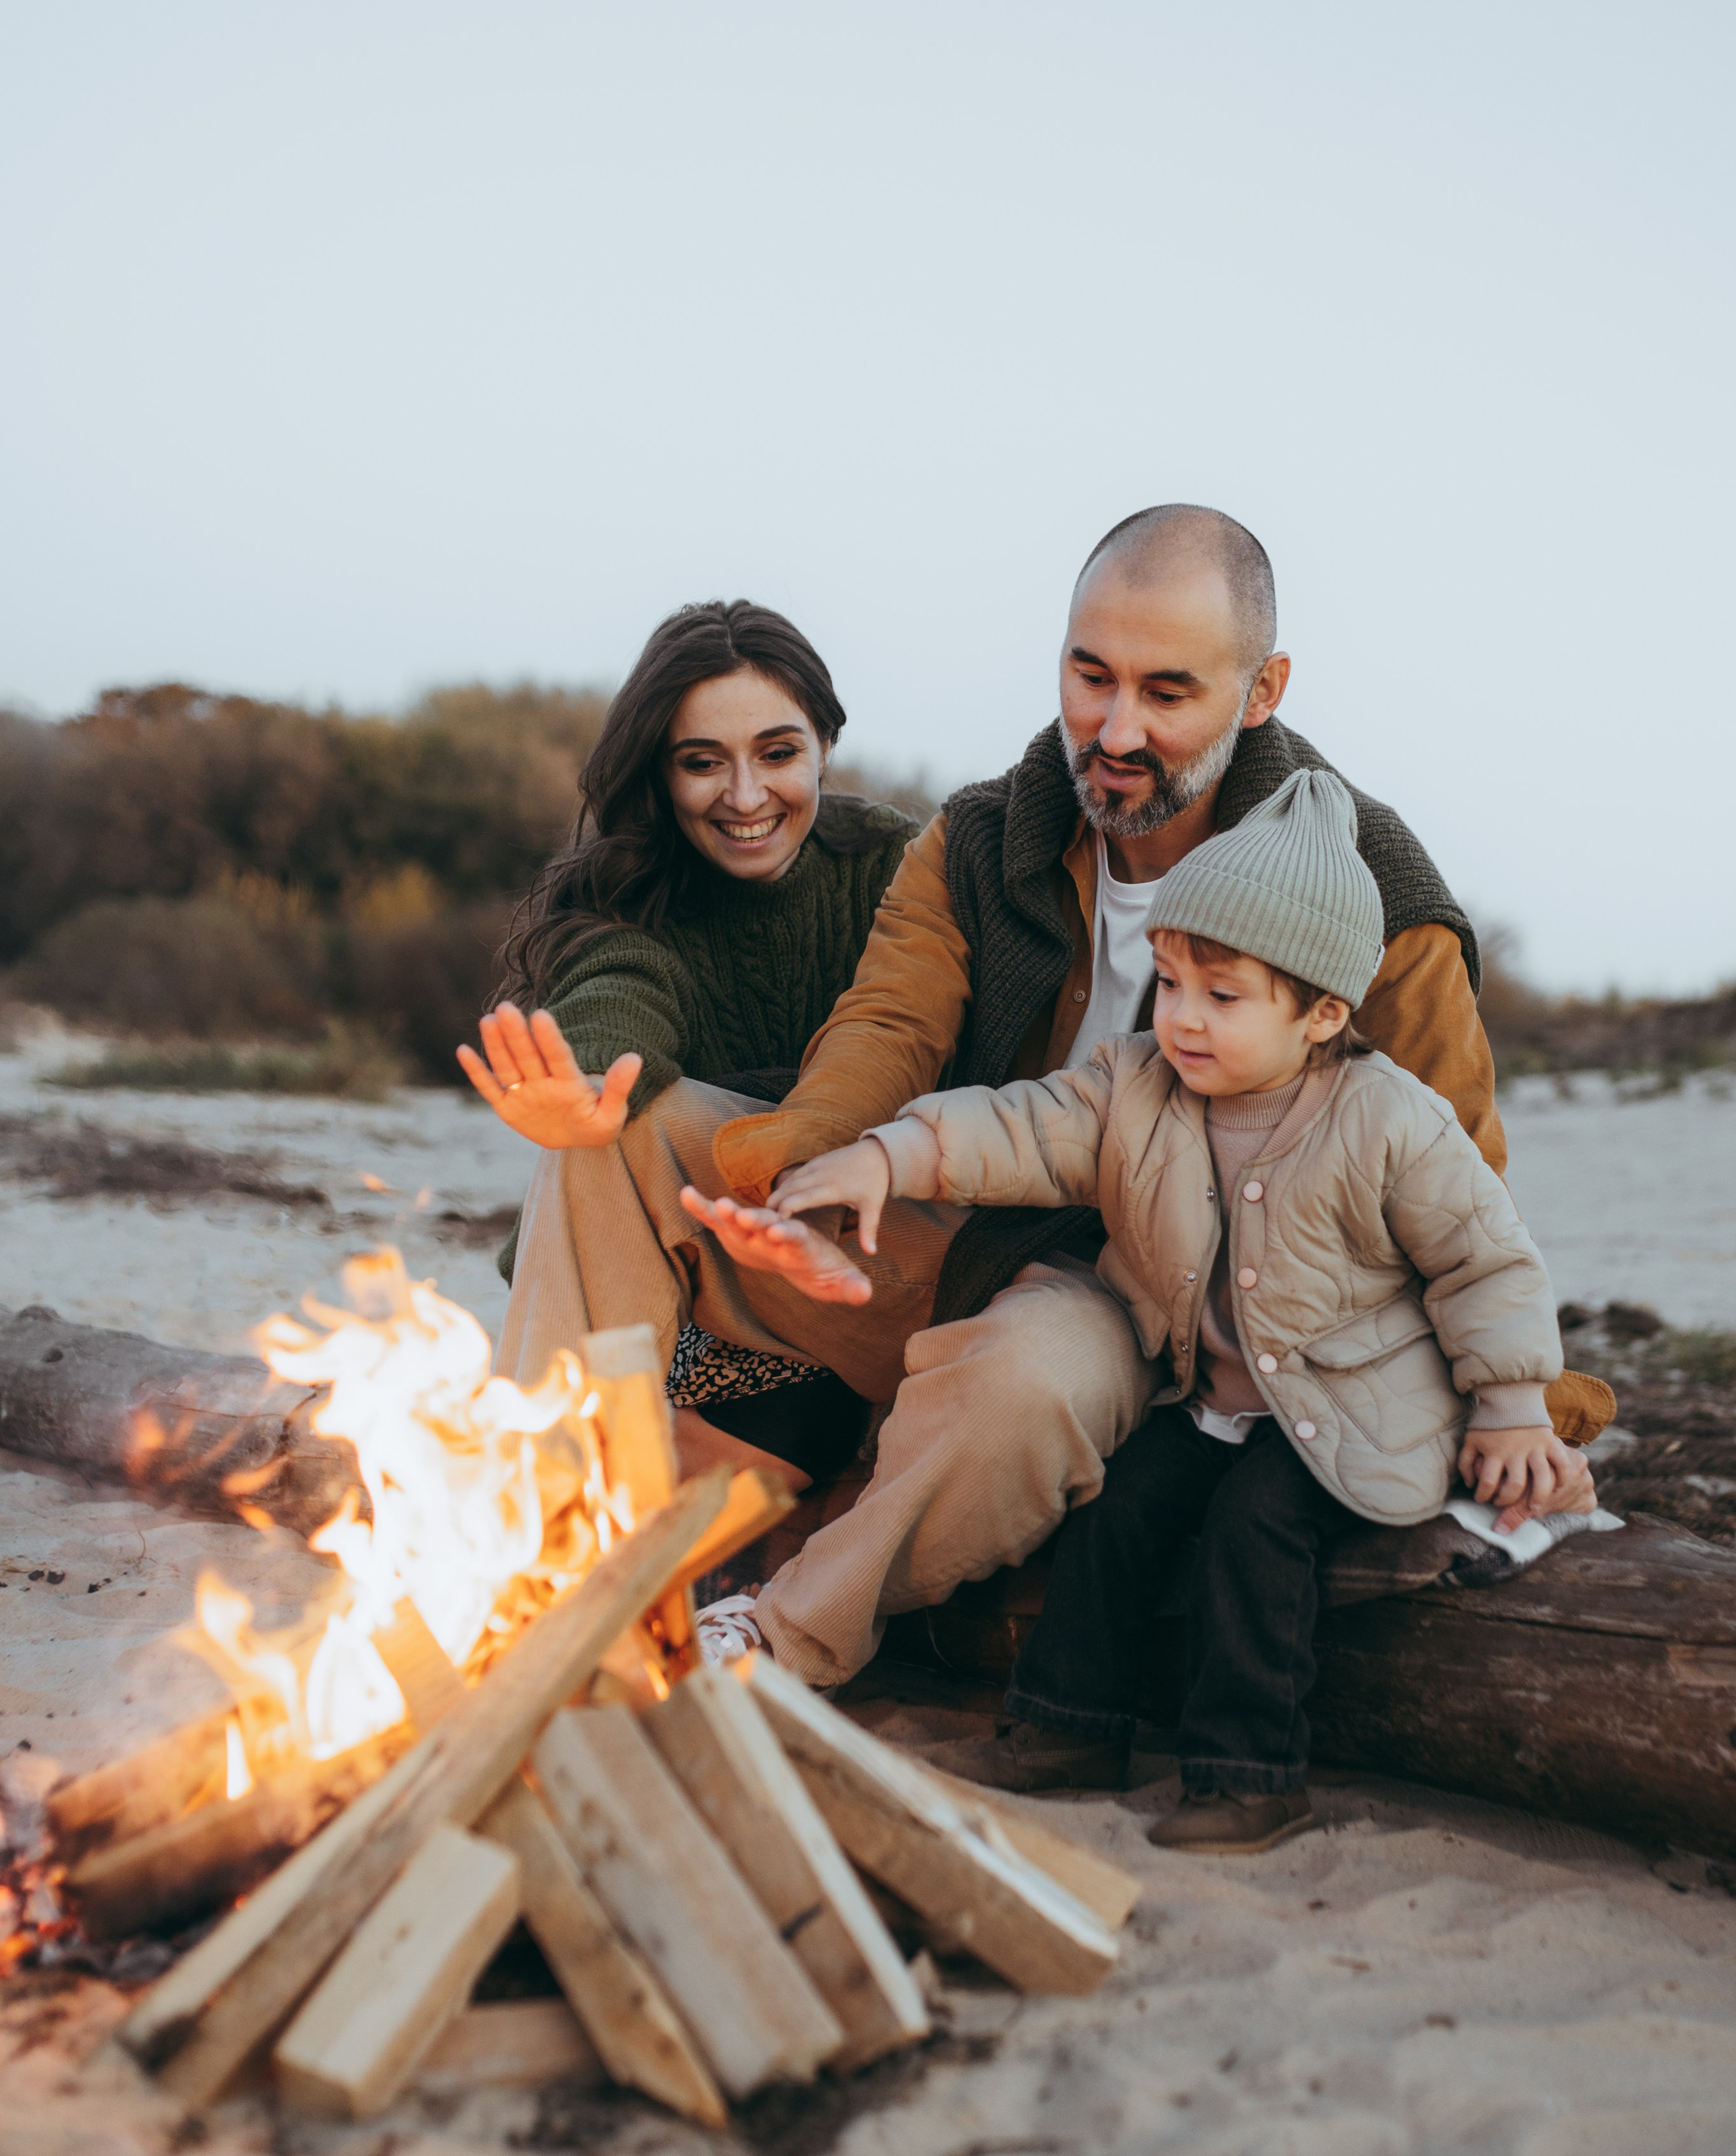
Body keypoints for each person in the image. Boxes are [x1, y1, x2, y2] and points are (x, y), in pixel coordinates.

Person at [676, 505, 1605, 1692]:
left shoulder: (1372, 900)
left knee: (1026, 1381)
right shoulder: (983, 835)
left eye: (1168, 693)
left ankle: (785, 1633)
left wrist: (1523, 1411)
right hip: (961, 1231)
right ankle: (539, 1526)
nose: (1115, 730)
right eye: (1089, 674)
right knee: (636, 1135)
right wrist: (811, 1155)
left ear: (1261, 689)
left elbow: (1465, 1208)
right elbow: (899, 1033)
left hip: (1164, 1324)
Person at [690, 770, 1572, 1845]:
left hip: (1350, 1415)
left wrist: (1515, 1403)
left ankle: (1250, 1774)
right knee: (1123, 1509)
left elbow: (1486, 1260)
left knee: (1254, 1534)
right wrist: (891, 1154)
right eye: (1170, 983)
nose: (1185, 1020)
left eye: (1223, 995)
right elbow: (1021, 1127)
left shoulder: (1391, 1119)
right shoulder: (1140, 1084)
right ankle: (1067, 1725)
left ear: (1324, 1012)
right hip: (1209, 1403)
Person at [460, 597, 919, 1489]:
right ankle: (544, 1526)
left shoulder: (898, 867)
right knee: (614, 1130)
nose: (745, 797)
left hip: (877, 1264)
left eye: (778, 754)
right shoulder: (629, 893)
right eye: (702, 763)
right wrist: (589, 1077)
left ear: (825, 741)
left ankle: (559, 1500)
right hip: (709, 1305)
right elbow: (618, 992)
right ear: (661, 776)